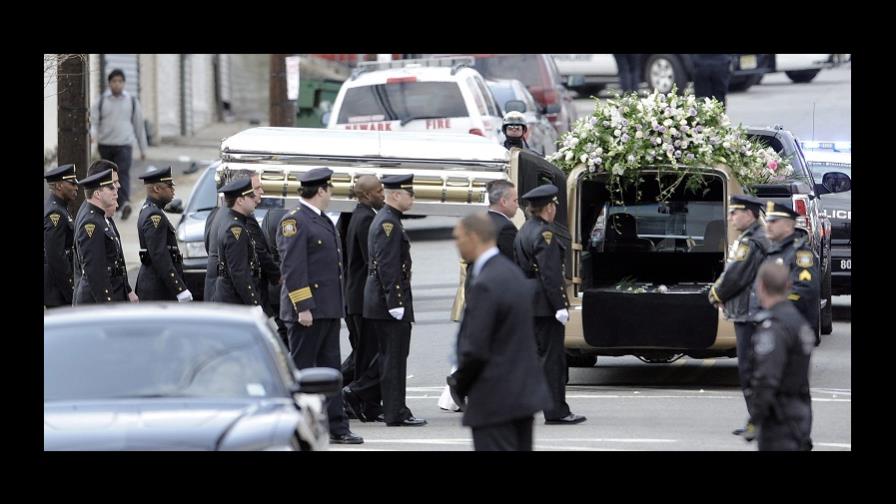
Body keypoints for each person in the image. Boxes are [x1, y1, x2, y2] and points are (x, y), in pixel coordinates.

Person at [447, 213, 552, 451]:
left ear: (473, 237)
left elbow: (475, 348)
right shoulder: (511, 273)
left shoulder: (485, 282)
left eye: (458, 238)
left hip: (495, 397)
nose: (456, 244)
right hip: (522, 395)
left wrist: (459, 385)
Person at [276, 168, 363, 444]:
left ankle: (338, 427)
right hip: (307, 313)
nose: (332, 193)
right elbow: (293, 267)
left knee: (330, 371)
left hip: (326, 309)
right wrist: (303, 306)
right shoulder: (295, 222)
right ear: (321, 190)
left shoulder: (321, 219)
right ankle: (297, 427)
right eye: (330, 188)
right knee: (303, 373)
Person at [513, 184, 586, 425]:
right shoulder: (545, 233)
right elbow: (550, 273)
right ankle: (556, 410)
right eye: (554, 205)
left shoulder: (525, 229)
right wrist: (560, 305)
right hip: (545, 304)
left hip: (530, 300)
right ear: (549, 207)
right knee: (552, 360)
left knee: (538, 357)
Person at [364, 174, 427, 427]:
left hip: (384, 300)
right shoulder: (388, 223)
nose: (412, 198)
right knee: (394, 359)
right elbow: (388, 267)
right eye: (409, 193)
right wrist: (395, 302)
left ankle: (395, 409)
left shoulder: (390, 220)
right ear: (396, 195)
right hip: (386, 302)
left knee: (393, 357)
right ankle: (395, 412)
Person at [708, 195, 769, 435]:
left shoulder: (751, 242)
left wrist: (715, 294)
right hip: (755, 312)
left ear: (750, 214)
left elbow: (735, 275)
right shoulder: (756, 238)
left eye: (735, 212)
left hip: (750, 314)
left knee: (750, 369)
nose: (730, 217)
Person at [744, 262, 815, 451]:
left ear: (760, 287)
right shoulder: (800, 323)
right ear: (788, 286)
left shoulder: (774, 327)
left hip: (780, 421)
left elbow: (767, 378)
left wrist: (755, 419)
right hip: (800, 415)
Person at [342, 175, 386, 423]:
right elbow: (373, 261)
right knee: (372, 354)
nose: (383, 194)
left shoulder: (359, 215)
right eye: (379, 190)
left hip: (355, 297)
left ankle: (365, 403)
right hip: (362, 298)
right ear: (367, 195)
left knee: (364, 354)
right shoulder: (367, 219)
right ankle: (355, 394)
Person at [90, 69, 148, 221]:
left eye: (120, 81)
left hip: (124, 144)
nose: (117, 84)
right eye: (114, 81)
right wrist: (93, 134)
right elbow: (94, 121)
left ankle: (124, 204)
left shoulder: (132, 101)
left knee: (122, 174)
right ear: (109, 83)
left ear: (124, 83)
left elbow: (138, 126)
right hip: (105, 144)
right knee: (107, 177)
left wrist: (143, 148)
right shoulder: (101, 101)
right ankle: (108, 205)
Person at [73, 169, 135, 304]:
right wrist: (107, 304)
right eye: (110, 188)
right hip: (95, 301)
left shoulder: (101, 218)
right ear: (97, 194)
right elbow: (95, 271)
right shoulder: (91, 223)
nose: (116, 191)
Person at [764, 201, 821, 342]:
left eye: (774, 221)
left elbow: (805, 289)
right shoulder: (773, 252)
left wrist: (773, 305)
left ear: (789, 225)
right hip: (775, 326)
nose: (768, 225)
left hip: (793, 328)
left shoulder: (801, 253)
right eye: (767, 221)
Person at [204, 169, 264, 302]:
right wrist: (255, 303)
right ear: (240, 200)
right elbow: (239, 273)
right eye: (251, 196)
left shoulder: (229, 219)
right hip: (232, 298)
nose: (256, 198)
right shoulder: (235, 228)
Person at [134, 166, 192, 302]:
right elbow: (159, 255)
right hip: (157, 288)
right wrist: (179, 288)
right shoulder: (154, 215)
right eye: (169, 186)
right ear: (157, 189)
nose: (173, 189)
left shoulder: (151, 210)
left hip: (158, 285)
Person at [44, 164, 79, 308]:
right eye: (72, 183)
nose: (76, 187)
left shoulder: (61, 207)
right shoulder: (55, 213)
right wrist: (71, 290)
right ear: (59, 186)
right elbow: (56, 256)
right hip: (58, 290)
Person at [261, 204, 291, 347]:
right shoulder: (291, 216)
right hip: (288, 281)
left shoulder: (270, 214)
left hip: (274, 285)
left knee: (283, 330)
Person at [486, 180, 519, 259]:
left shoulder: (481, 221)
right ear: (503, 202)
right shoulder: (506, 228)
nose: (517, 206)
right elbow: (512, 261)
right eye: (515, 201)